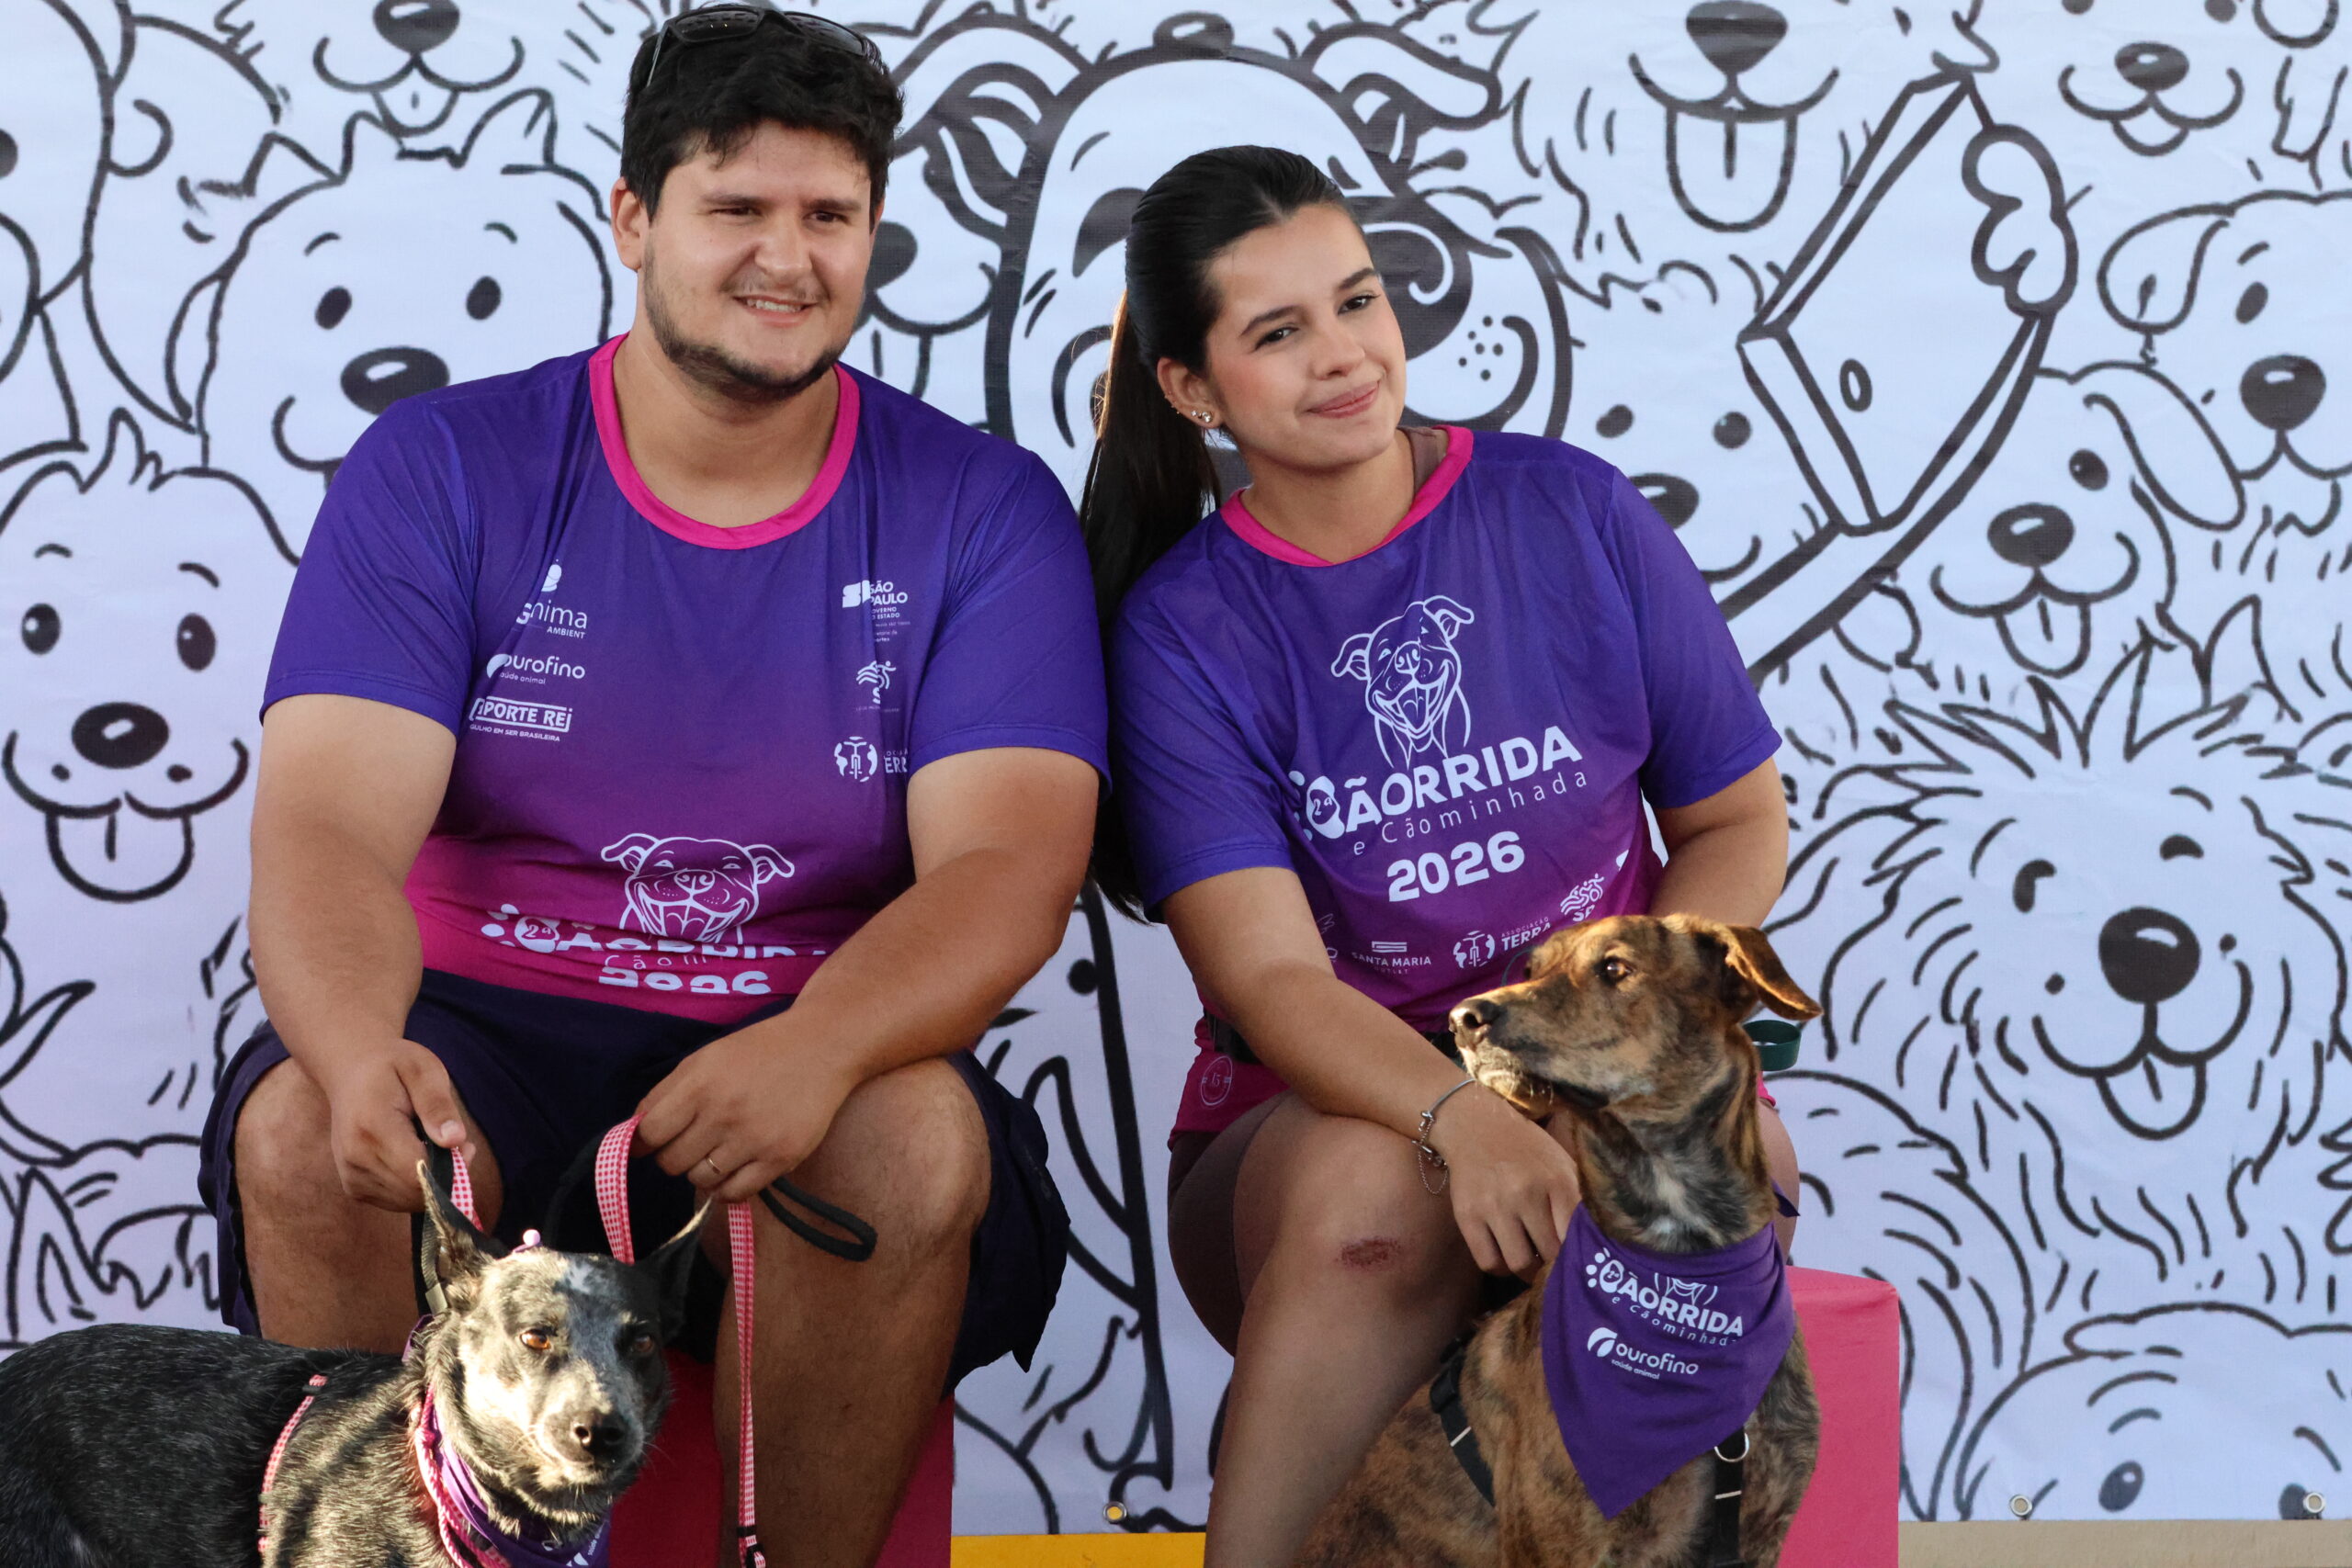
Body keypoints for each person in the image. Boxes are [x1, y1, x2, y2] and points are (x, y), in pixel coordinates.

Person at [196, 9, 1106, 1563]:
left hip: (809, 1018)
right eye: (735, 206)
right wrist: (353, 1058)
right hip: (489, 1019)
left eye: (829, 215)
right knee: (298, 1133)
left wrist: (819, 1047)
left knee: (910, 1143)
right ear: (633, 219)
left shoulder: (981, 505)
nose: (786, 257)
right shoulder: (442, 464)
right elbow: (328, 825)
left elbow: (1007, 867)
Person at [1082, 146, 1800, 1566]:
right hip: (1322, 1128)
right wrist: (1468, 1119)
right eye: (1278, 332)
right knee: (1377, 1198)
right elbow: (1275, 984)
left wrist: (1614, 1059)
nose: (1345, 354)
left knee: (1728, 1155)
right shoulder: (1179, 634)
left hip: (1599, 1053)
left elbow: (1736, 819)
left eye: (1358, 300)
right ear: (1192, 388)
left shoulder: (1573, 511)